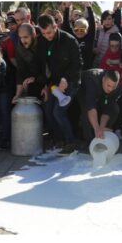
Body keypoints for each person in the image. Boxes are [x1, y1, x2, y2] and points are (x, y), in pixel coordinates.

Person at [36, 14, 82, 154]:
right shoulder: (42, 41)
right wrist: (44, 85)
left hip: (71, 80)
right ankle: (59, 139)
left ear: (55, 26)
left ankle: (70, 142)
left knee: (58, 112)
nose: (47, 36)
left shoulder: (69, 40)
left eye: (49, 32)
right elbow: (41, 66)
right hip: (53, 83)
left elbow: (78, 64)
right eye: (43, 33)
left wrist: (66, 79)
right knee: (48, 110)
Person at [78, 69, 121, 146]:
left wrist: (101, 127)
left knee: (115, 108)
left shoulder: (117, 88)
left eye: (113, 87)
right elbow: (91, 108)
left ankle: (103, 134)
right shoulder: (92, 80)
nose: (110, 89)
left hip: (101, 97)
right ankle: (90, 143)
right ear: (103, 79)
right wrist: (97, 128)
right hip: (84, 93)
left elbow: (108, 109)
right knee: (86, 113)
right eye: (108, 85)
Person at [12, 23, 42, 103]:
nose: (23, 41)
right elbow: (20, 71)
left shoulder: (43, 43)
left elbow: (48, 68)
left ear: (34, 35)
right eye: (20, 37)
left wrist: (36, 78)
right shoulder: (20, 47)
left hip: (48, 81)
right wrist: (17, 95)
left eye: (26, 37)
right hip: (32, 81)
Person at [61, 2, 96, 70]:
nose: (79, 32)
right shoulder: (72, 37)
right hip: (72, 71)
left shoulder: (89, 39)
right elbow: (66, 24)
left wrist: (89, 7)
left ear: (87, 30)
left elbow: (92, 25)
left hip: (85, 71)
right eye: (77, 29)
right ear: (74, 29)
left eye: (82, 30)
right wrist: (67, 7)